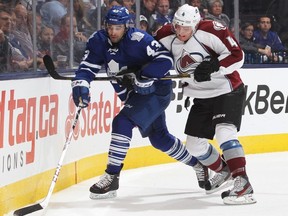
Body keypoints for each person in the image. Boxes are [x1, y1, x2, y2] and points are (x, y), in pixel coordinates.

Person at [71, 5, 208, 199]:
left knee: (122, 122)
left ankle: (112, 176)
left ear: (126, 27)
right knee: (159, 138)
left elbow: (165, 59)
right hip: (132, 95)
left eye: (117, 27)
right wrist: (81, 85)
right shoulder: (98, 41)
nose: (113, 31)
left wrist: (142, 75)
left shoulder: (139, 39)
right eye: (110, 27)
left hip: (155, 91)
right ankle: (198, 165)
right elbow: (87, 67)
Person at [155, 4, 256, 205]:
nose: (181, 32)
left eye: (186, 28)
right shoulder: (165, 34)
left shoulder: (211, 30)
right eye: (178, 26)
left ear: (195, 24)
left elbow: (238, 55)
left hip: (226, 89)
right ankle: (225, 170)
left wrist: (214, 66)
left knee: (224, 133)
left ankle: (243, 184)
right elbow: (148, 54)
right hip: (200, 95)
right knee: (193, 145)